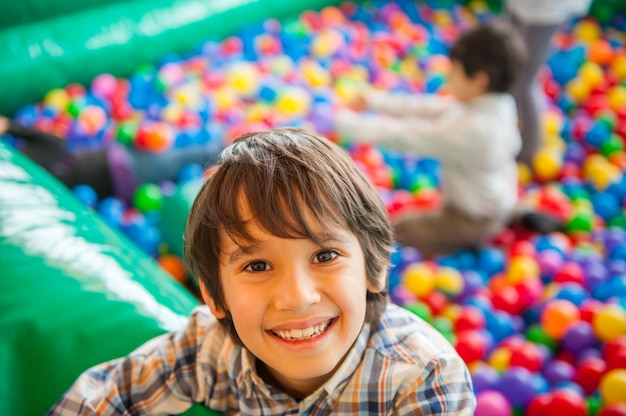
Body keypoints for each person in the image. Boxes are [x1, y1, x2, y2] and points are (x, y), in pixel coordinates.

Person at [47, 127, 476, 415]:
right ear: (216, 299)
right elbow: (106, 392)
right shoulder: (212, 349)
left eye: (325, 256)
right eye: (257, 265)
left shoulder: (420, 378)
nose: (297, 296)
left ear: (375, 268)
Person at [335, 22, 528, 258]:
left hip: (470, 218)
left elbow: (407, 136)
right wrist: (375, 101)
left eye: (454, 72)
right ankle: (506, 219)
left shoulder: (476, 130)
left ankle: (476, 241)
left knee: (398, 229)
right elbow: (430, 107)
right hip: (497, 197)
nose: (449, 78)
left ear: (480, 80)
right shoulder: (498, 102)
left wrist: (343, 123)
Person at [0, 115, 224, 204]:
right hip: (124, 174)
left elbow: (55, 144)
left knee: (184, 158)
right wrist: (11, 128)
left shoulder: (22, 164)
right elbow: (55, 144)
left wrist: (11, 128)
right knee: (185, 160)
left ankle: (233, 146)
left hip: (119, 159)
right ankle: (234, 148)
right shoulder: (22, 179)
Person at [504, 0, 593, 165]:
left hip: (545, 11)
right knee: (511, 69)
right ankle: (510, 130)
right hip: (525, 6)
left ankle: (529, 153)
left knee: (524, 82)